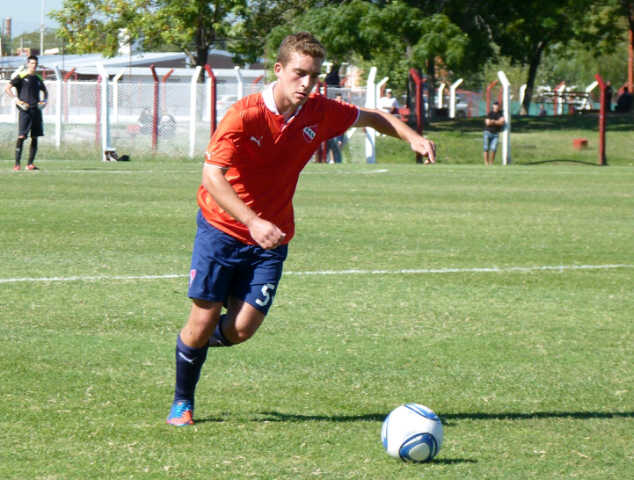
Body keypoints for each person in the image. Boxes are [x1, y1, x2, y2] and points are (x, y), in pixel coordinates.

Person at [166, 32, 436, 427]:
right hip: (221, 229)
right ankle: (182, 401)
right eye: (299, 74)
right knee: (201, 322)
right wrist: (252, 220)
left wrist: (412, 137)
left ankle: (197, 344)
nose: (307, 84)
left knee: (241, 330)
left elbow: (373, 117)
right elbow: (212, 177)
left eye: (314, 76)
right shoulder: (244, 115)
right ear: (278, 70)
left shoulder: (320, 111)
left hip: (271, 238)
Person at [4, 55, 48, 171]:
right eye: (32, 63)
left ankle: (30, 164)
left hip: (36, 111)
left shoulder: (38, 78)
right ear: (28, 64)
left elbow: (45, 92)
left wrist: (44, 101)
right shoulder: (22, 76)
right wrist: (16, 100)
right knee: (22, 136)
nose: (34, 65)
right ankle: (17, 164)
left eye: (35, 63)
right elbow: (7, 88)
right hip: (25, 111)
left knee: (35, 137)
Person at [483, 101, 505, 165]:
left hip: (495, 134)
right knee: (486, 148)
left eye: (497, 106)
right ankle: (486, 163)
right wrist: (497, 122)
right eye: (495, 106)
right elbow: (487, 123)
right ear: (493, 106)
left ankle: (491, 163)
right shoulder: (490, 113)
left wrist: (493, 121)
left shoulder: (500, 114)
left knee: (493, 148)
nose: (496, 107)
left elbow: (502, 122)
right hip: (487, 132)